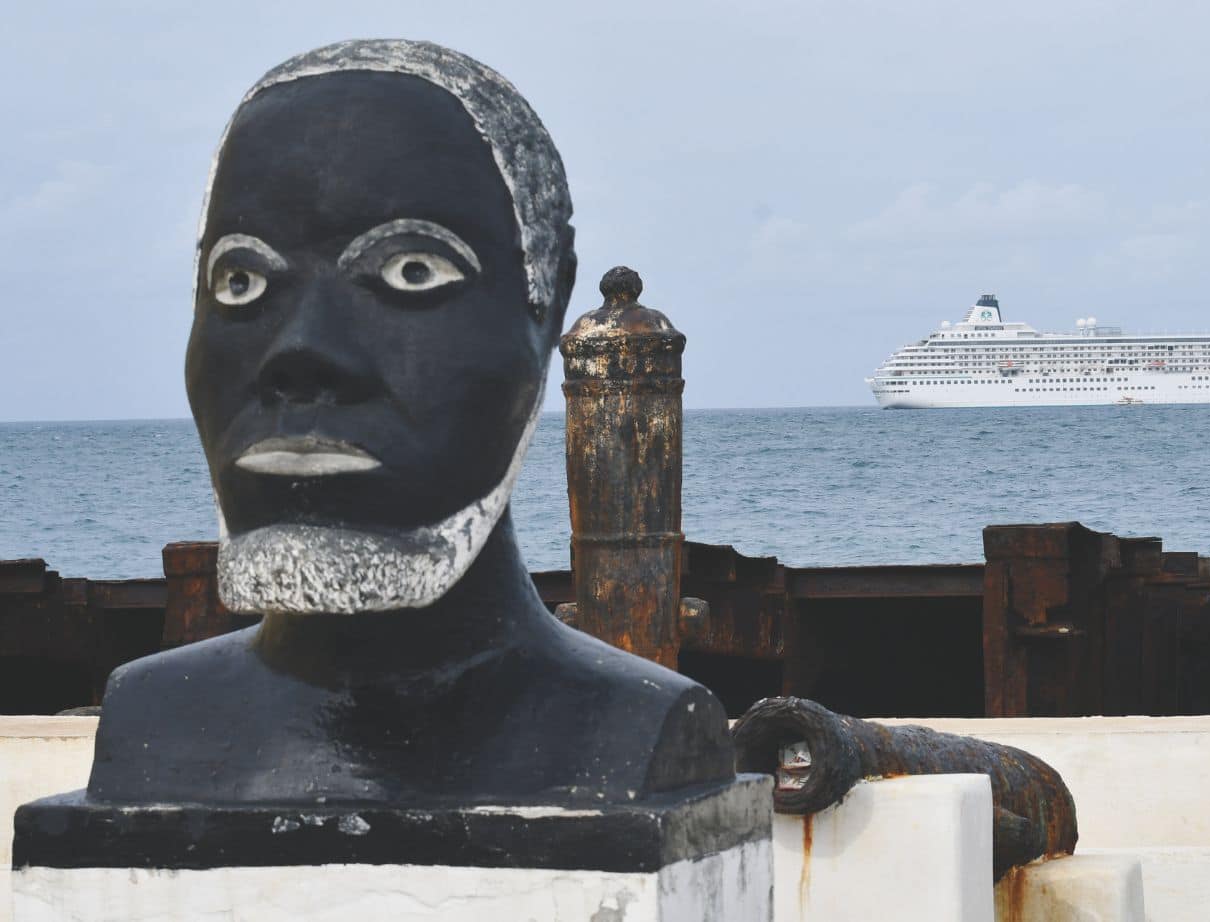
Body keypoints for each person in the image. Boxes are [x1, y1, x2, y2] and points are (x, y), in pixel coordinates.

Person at [86, 40, 734, 806]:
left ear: (546, 309)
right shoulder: (151, 720)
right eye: (241, 279)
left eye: (410, 272)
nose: (299, 352)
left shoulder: (639, 732)